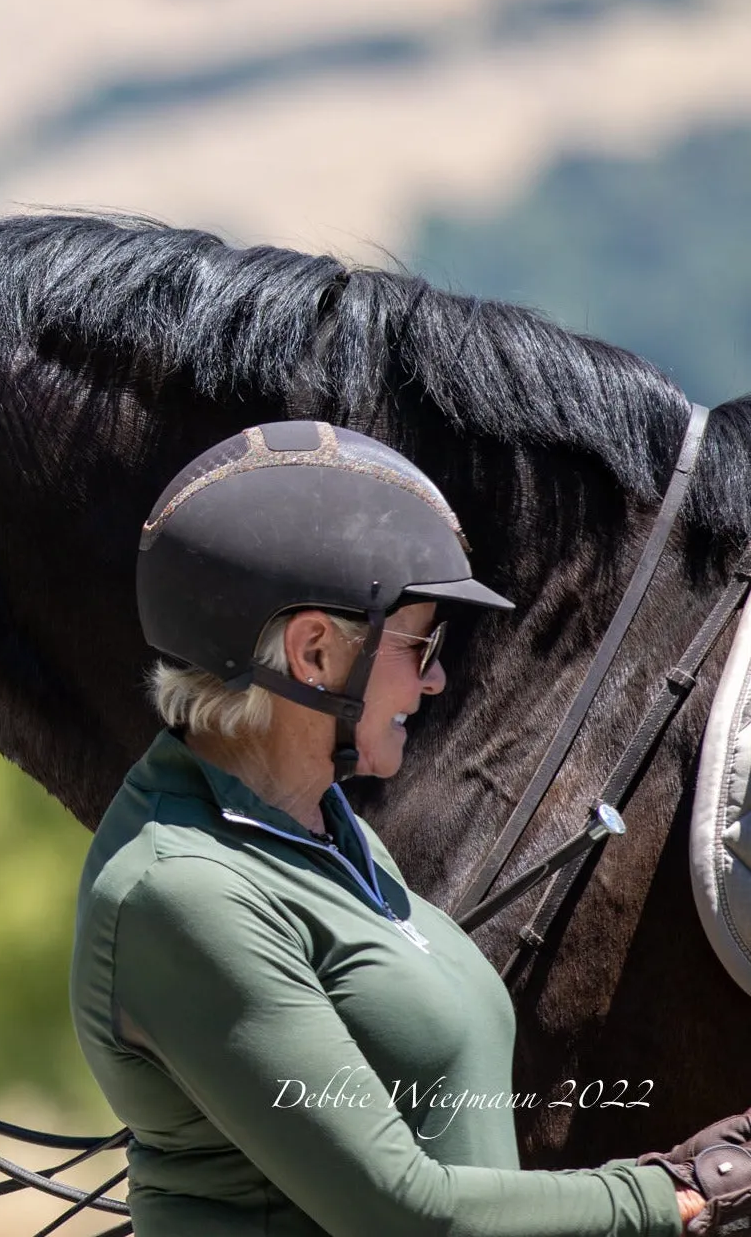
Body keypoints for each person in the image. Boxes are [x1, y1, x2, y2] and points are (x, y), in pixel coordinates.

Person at [70, 420, 751, 1236]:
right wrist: (678, 1197)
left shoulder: (323, 827)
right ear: (314, 651)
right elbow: (403, 1212)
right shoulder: (184, 892)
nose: (436, 680)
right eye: (422, 642)